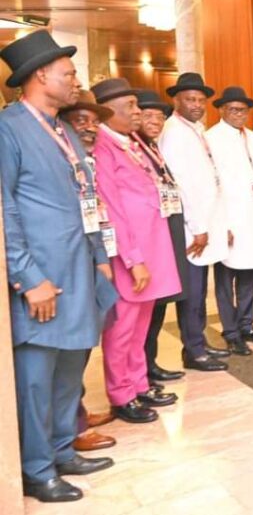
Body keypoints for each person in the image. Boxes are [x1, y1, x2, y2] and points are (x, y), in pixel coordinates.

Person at [1, 30, 118, 502]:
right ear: (39, 75)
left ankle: (62, 448)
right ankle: (36, 468)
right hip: (43, 280)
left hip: (80, 271)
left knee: (71, 370)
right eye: (68, 74)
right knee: (36, 379)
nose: (75, 81)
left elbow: (85, 196)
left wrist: (101, 258)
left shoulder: (63, 129)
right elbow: (3, 208)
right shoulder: (9, 128)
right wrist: (29, 279)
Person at [92, 78, 181, 423]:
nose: (137, 112)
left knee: (141, 324)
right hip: (129, 254)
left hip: (150, 246)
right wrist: (133, 260)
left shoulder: (131, 142)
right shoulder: (102, 146)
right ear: (107, 111)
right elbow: (113, 209)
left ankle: (139, 384)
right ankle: (121, 394)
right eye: (129, 106)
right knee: (122, 328)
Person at [56, 90, 117, 453]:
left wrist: (101, 258)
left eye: (95, 122)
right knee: (68, 350)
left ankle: (76, 415)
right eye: (82, 120)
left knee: (82, 346)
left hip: (92, 259)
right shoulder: (60, 157)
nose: (91, 128)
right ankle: (70, 429)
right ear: (65, 122)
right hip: (65, 265)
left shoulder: (87, 158)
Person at [158, 72, 230, 371]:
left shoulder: (195, 129)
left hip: (206, 224)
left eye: (201, 100)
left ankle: (197, 342)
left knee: (199, 291)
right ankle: (194, 350)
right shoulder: (174, 132)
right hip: (191, 228)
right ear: (176, 100)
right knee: (191, 292)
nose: (197, 104)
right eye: (190, 99)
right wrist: (198, 229)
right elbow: (181, 185)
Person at [207, 87, 253, 355]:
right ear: (221, 110)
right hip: (229, 217)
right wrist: (221, 224)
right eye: (233, 110)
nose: (238, 114)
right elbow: (213, 183)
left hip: (252, 214)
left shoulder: (251, 135)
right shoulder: (211, 138)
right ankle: (231, 331)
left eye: (243, 110)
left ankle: (247, 325)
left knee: (251, 272)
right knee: (226, 276)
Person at [134, 90, 188, 383]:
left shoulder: (152, 148)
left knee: (157, 308)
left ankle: (149, 364)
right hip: (146, 243)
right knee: (145, 311)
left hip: (164, 237)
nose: (155, 121)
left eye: (160, 117)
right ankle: (141, 371)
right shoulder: (134, 149)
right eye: (148, 115)